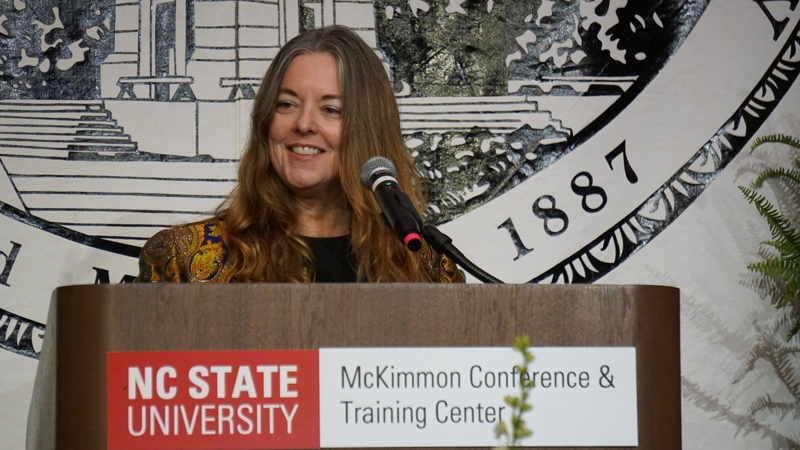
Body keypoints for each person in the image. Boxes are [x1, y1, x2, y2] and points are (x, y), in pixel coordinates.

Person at [137, 25, 464, 283]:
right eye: (287, 104)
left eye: (331, 109)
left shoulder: (425, 268)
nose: (304, 124)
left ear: (368, 129)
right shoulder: (184, 257)